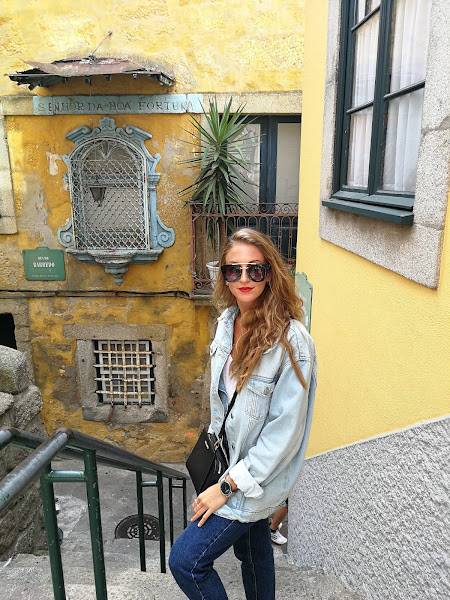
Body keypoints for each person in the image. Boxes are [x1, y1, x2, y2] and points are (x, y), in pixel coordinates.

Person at [169, 228, 317, 600]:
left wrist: (225, 488)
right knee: (253, 551)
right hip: (228, 463)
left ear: (271, 274)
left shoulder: (293, 342)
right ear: (224, 276)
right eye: (234, 270)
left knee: (186, 561)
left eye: (255, 269)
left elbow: (284, 434)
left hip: (253, 478)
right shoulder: (227, 322)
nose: (244, 278)